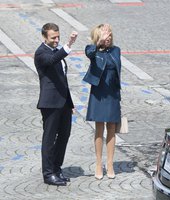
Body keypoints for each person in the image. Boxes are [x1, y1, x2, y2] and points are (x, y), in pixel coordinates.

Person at [34, 23, 78, 186]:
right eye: (53, 37)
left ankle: (56, 168)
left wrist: (70, 102)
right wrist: (69, 44)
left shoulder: (55, 52)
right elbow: (53, 60)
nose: (56, 40)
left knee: (64, 136)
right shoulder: (41, 53)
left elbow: (63, 81)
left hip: (64, 103)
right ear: (44, 37)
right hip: (50, 104)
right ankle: (48, 173)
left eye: (58, 37)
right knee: (49, 138)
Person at [83, 24, 121, 180]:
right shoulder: (92, 50)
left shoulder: (116, 50)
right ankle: (99, 163)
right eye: (106, 35)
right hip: (99, 94)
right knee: (99, 128)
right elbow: (89, 53)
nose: (109, 37)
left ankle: (110, 163)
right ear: (98, 37)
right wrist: (99, 44)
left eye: (110, 35)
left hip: (112, 93)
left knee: (111, 128)